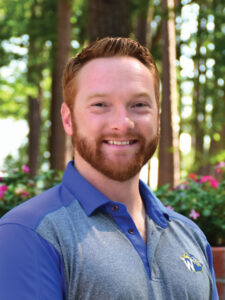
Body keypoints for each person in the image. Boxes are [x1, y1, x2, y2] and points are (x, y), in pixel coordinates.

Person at [0, 37, 218, 300]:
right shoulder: (28, 233)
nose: (122, 123)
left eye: (139, 104)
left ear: (158, 117)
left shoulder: (191, 236)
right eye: (100, 105)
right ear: (68, 120)